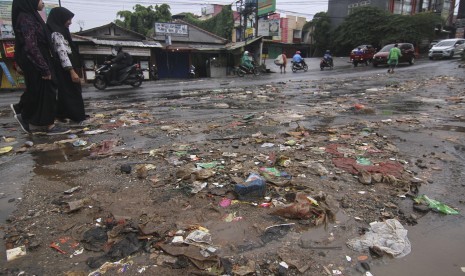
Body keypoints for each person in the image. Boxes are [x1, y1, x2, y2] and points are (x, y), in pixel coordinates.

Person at [12, 0, 69, 135]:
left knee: (44, 92)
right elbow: (30, 46)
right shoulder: (25, 18)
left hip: (41, 58)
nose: (42, 2)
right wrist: (43, 67)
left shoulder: (31, 17)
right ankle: (42, 123)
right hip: (37, 60)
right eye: (39, 0)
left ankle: (40, 122)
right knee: (44, 91)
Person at [47, 7, 87, 125]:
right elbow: (62, 54)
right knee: (72, 92)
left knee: (66, 93)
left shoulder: (62, 31)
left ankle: (62, 114)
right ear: (60, 18)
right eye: (68, 19)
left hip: (66, 68)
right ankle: (77, 117)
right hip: (64, 69)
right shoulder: (56, 33)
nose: (70, 22)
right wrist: (71, 71)